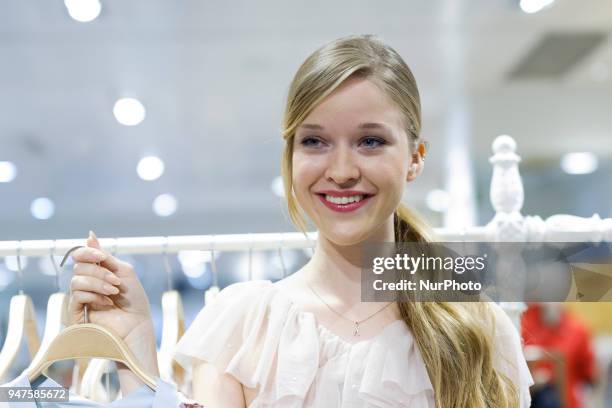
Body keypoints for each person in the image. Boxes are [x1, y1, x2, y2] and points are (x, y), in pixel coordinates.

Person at [68, 34, 533, 407]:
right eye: (314, 142)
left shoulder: (474, 328)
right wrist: (135, 361)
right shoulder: (245, 325)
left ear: (415, 158)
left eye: (370, 141)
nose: (342, 170)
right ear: (290, 157)